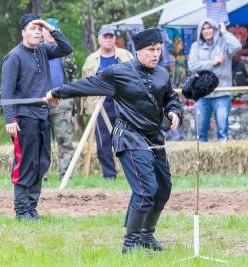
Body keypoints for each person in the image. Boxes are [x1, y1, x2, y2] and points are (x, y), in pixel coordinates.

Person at [45, 28, 181, 253]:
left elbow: (170, 98)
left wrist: (174, 111)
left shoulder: (162, 74)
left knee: (163, 189)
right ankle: (131, 244)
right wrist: (58, 92)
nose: (155, 54)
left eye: (158, 49)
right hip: (129, 136)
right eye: (151, 50)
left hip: (154, 137)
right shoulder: (117, 73)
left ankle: (146, 236)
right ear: (138, 50)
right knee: (146, 189)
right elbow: (86, 85)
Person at [0, 13, 72, 220]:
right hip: (23, 117)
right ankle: (21, 210)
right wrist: (9, 120)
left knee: (42, 162)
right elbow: (6, 92)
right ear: (23, 32)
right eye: (33, 28)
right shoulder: (14, 57)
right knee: (26, 163)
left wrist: (50, 27)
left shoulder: (42, 50)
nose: (37, 32)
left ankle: (32, 208)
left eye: (39, 29)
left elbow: (66, 48)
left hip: (43, 114)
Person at [82, 26, 133, 180]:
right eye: (105, 37)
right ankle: (109, 175)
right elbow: (85, 83)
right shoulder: (91, 59)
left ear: (115, 39)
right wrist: (84, 108)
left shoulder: (126, 56)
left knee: (125, 139)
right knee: (103, 142)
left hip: (123, 105)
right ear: (99, 39)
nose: (109, 39)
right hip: (100, 105)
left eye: (111, 37)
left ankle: (131, 173)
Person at [188, 18, 241, 141]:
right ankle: (200, 160)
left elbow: (237, 46)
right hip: (201, 95)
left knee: (223, 132)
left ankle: (224, 160)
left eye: (209, 28)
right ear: (200, 31)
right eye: (203, 29)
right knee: (200, 132)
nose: (206, 31)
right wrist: (213, 62)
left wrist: (224, 32)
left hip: (221, 93)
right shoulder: (195, 46)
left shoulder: (224, 43)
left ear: (215, 29)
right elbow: (192, 66)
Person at [42, 18, 78, 180]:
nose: (50, 34)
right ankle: (41, 176)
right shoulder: (36, 50)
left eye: (53, 30)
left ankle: (66, 176)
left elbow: (73, 81)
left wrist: (74, 108)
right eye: (47, 31)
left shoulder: (66, 54)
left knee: (65, 140)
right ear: (42, 32)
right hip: (40, 102)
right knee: (41, 141)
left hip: (62, 102)